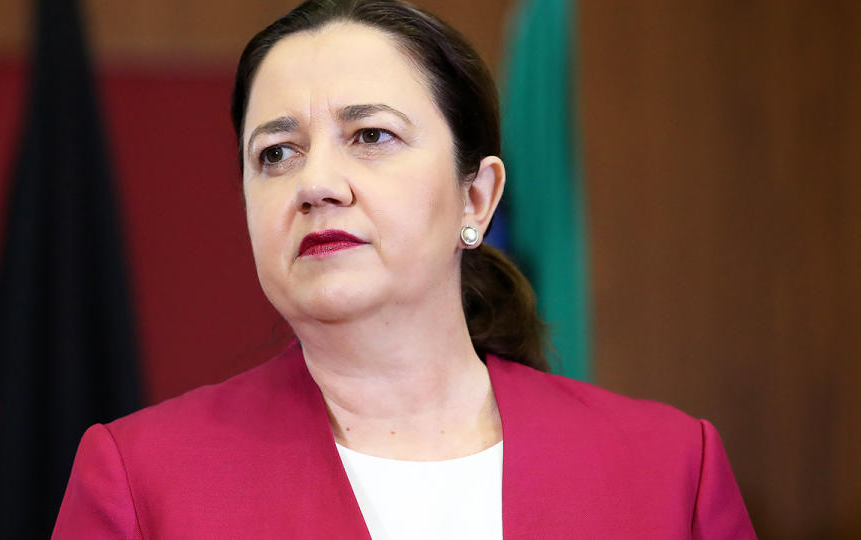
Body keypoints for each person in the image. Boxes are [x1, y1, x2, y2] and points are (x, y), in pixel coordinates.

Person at [53, 1, 757, 538]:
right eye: (275, 153)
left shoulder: (669, 470)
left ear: (475, 196)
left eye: (371, 136)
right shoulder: (144, 480)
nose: (316, 183)